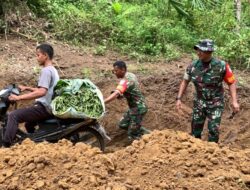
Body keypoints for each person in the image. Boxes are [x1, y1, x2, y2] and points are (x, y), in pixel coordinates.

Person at [176, 39, 240, 143]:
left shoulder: (222, 66)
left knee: (213, 130)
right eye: (197, 50)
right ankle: (195, 150)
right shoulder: (192, 66)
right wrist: (178, 98)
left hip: (216, 103)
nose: (198, 52)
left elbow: (231, 82)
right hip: (199, 102)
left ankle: (212, 151)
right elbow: (185, 81)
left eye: (201, 50)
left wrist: (234, 101)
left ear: (209, 52)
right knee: (195, 130)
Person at [3, 43, 60, 147]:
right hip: (49, 107)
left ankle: (5, 147)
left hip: (44, 108)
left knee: (13, 115)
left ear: (45, 55)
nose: (37, 58)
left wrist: (18, 97)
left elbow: (42, 92)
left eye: (38, 55)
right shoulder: (53, 70)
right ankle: (32, 146)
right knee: (28, 124)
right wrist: (27, 88)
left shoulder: (46, 71)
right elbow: (46, 89)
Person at [104, 61, 149, 140]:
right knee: (123, 124)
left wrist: (103, 102)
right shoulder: (131, 75)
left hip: (138, 108)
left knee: (131, 135)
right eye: (113, 71)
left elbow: (116, 93)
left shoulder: (126, 81)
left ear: (123, 70)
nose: (114, 73)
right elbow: (129, 89)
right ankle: (141, 131)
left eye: (116, 71)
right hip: (134, 108)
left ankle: (150, 137)